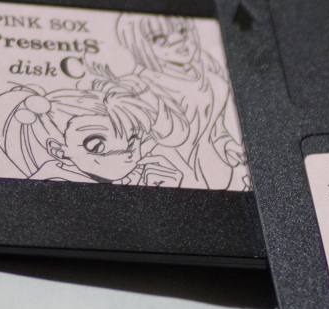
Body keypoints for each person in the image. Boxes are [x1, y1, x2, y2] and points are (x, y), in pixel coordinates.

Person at [92, 14, 247, 191]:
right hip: (170, 175)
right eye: (160, 39)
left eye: (182, 31)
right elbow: (171, 135)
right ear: (140, 46)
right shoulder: (140, 85)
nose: (177, 41)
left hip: (216, 171)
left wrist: (227, 146)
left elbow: (217, 129)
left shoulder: (214, 80)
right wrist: (145, 95)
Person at [0, 82, 181, 186]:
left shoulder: (130, 177)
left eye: (133, 140)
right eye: (98, 145)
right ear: (59, 151)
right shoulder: (54, 184)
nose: (127, 153)